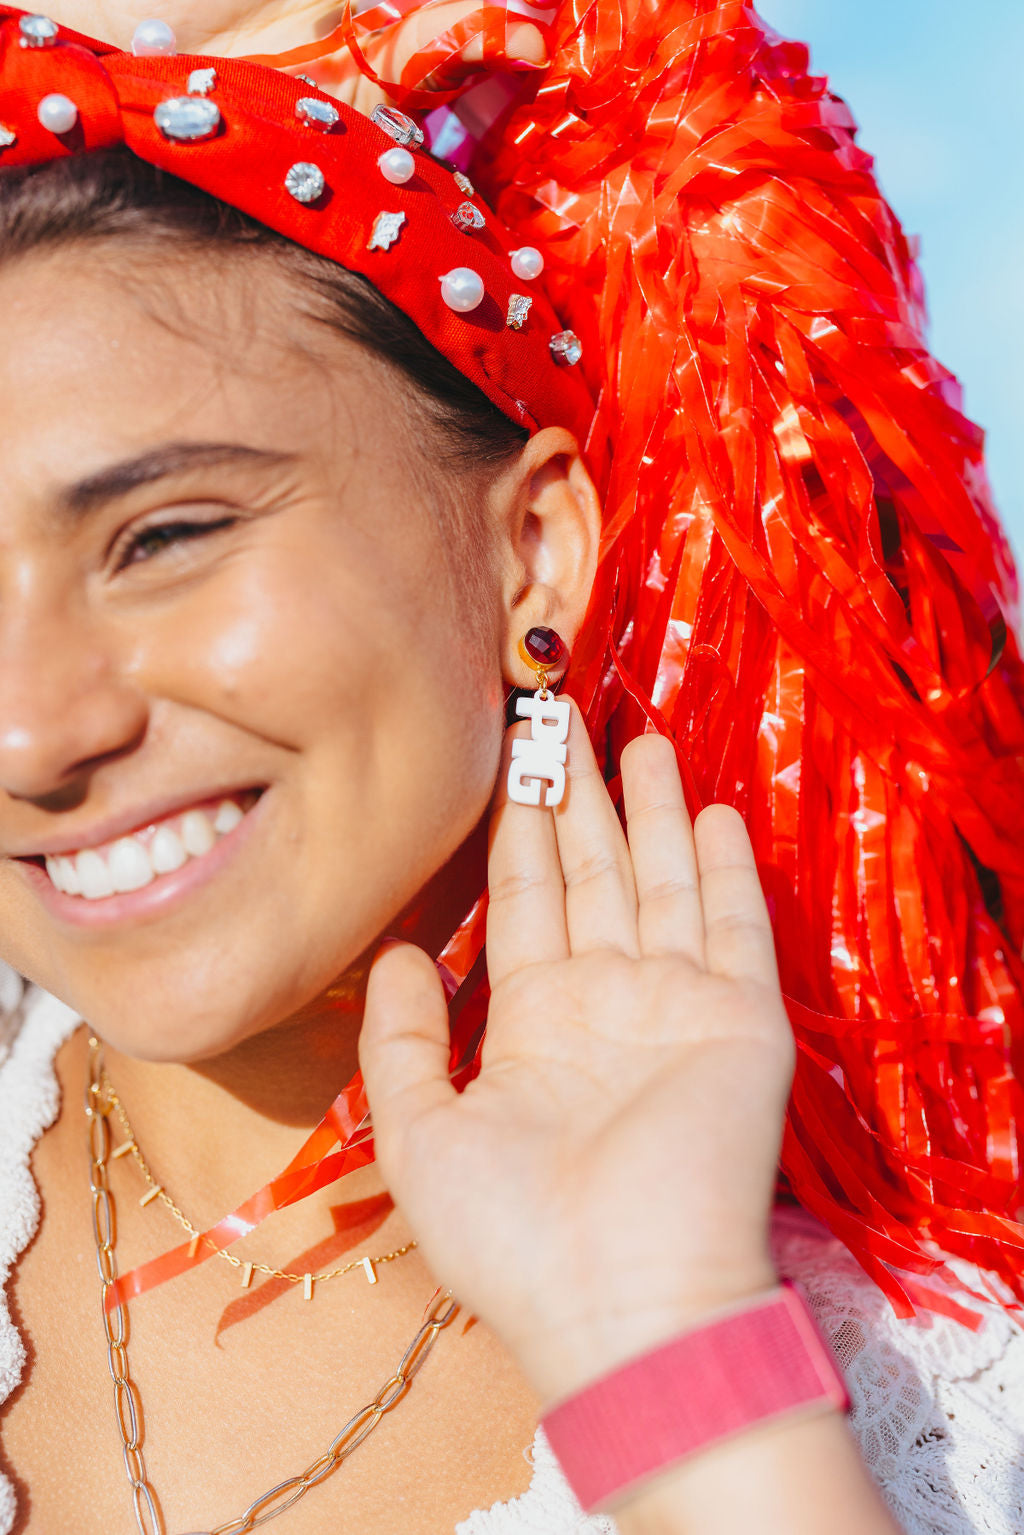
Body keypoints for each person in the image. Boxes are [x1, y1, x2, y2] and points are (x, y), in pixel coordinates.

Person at [0, 3, 1022, 1533]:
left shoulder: (952, 1384)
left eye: (164, 541)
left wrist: (658, 1332)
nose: (32, 732)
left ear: (535, 550)